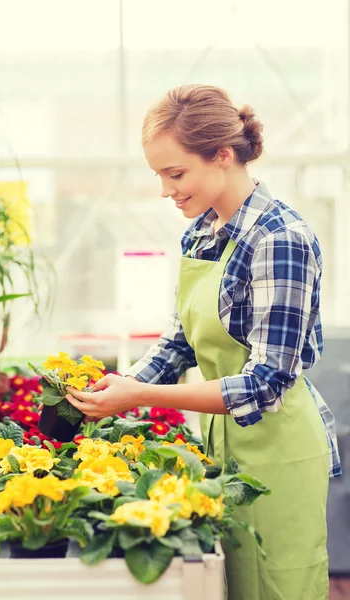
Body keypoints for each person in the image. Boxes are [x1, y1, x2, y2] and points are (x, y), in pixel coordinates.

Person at [65, 84, 341, 600]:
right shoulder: (203, 231)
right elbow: (181, 342)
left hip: (277, 445)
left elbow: (265, 383)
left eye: (176, 174)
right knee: (227, 582)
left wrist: (141, 397)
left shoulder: (280, 239)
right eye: (159, 176)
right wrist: (122, 385)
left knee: (281, 584)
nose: (166, 191)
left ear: (222, 155)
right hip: (221, 444)